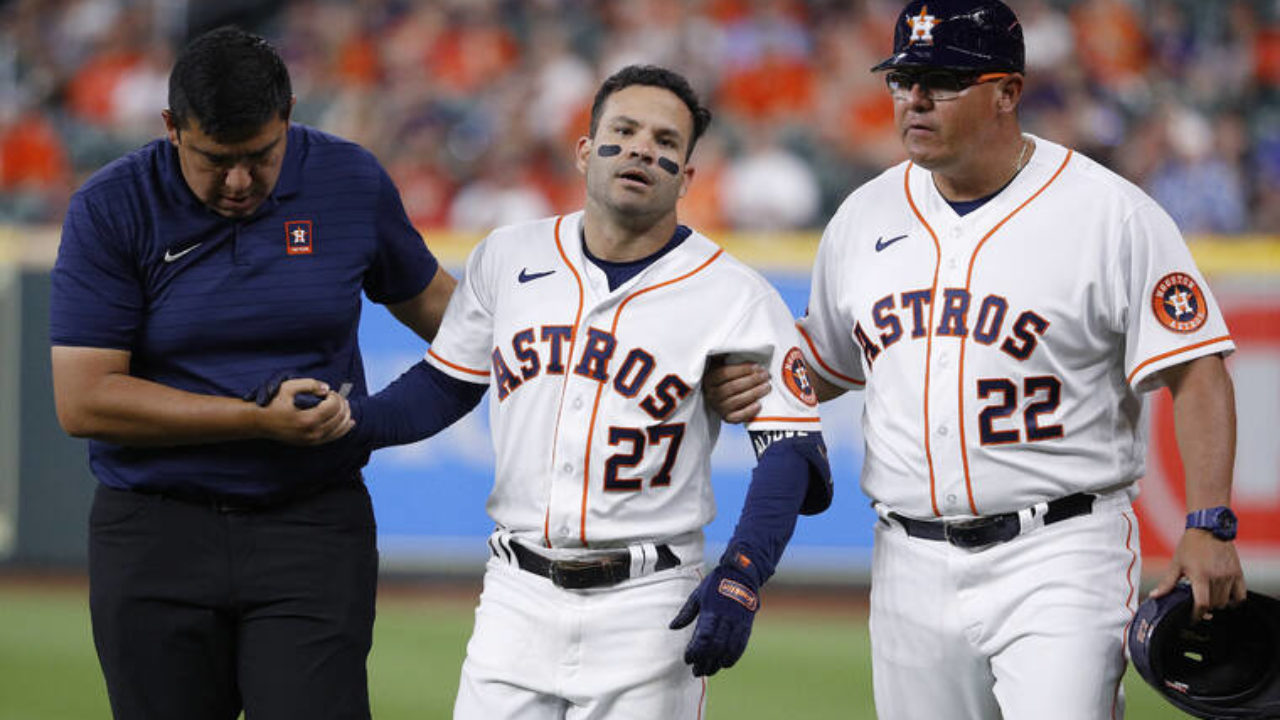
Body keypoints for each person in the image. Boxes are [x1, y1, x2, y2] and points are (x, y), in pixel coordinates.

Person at [717, 1, 1247, 718]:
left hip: (1059, 549)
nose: (916, 99)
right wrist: (731, 368)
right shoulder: (864, 216)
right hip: (908, 557)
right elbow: (826, 363)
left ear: (1008, 92)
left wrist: (1207, 522)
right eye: (903, 80)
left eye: (942, 79)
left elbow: (1196, 366)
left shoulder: (1107, 214)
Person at [344, 64, 833, 719]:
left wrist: (743, 572)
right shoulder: (507, 257)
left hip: (649, 603)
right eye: (623, 130)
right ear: (584, 151)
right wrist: (353, 423)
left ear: (687, 177)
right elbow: (443, 386)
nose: (640, 149)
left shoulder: (734, 293)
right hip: (514, 594)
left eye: (665, 141)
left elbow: (793, 448)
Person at [48, 26, 456, 720]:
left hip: (311, 524)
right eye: (215, 159)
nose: (238, 181)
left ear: (288, 115)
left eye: (260, 156)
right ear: (172, 128)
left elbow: (454, 321)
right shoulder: (112, 206)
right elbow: (84, 401)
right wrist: (254, 418)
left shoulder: (349, 180)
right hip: (154, 531)